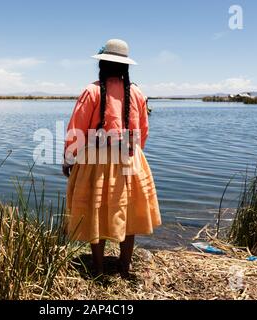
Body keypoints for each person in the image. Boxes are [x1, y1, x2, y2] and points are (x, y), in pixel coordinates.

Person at [63, 39, 161, 278]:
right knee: (127, 211)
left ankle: (97, 268)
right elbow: (143, 131)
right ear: (125, 66)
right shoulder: (137, 92)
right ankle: (124, 266)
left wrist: (69, 158)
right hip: (130, 160)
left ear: (102, 64)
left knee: (97, 210)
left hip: (96, 162)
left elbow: (77, 129)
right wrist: (135, 154)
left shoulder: (92, 91)